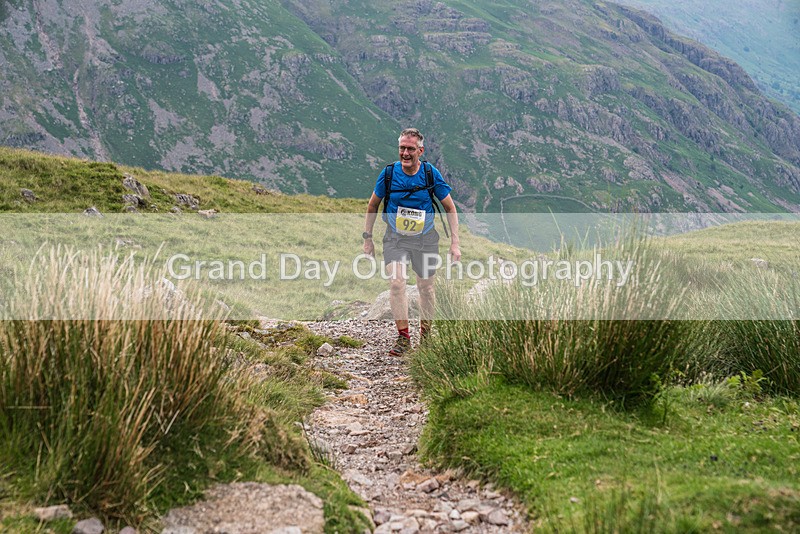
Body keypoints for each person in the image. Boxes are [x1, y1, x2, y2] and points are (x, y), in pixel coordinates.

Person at [363, 127, 460, 356]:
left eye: (410, 149)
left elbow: (450, 207)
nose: (405, 153)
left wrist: (455, 243)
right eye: (402, 148)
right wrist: (368, 239)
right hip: (395, 238)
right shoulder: (388, 174)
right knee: (397, 283)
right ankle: (403, 338)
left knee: (426, 288)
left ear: (420, 150)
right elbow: (372, 205)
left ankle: (426, 338)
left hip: (425, 239)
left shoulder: (429, 173)